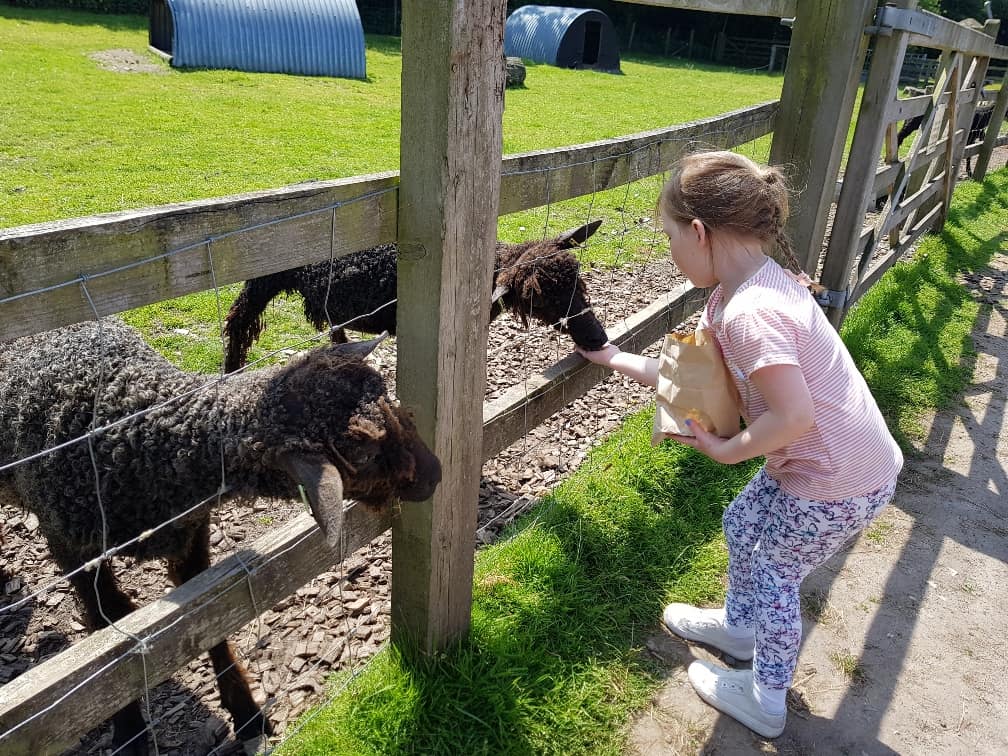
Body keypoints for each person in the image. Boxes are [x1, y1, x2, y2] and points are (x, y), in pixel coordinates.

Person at [577, 150, 903, 738]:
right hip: (821, 465)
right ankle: (739, 624)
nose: (670, 251)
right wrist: (612, 358)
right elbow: (693, 373)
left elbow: (795, 415)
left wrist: (729, 452)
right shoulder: (743, 286)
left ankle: (765, 698)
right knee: (741, 521)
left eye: (670, 236)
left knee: (778, 573)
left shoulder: (753, 312)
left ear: (699, 232)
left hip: (838, 478)